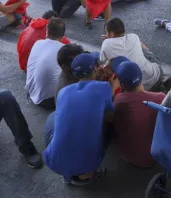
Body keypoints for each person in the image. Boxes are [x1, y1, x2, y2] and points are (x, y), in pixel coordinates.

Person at [44, 53, 118, 185]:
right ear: (95, 69)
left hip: (53, 162)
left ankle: (68, 173)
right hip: (88, 164)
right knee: (109, 125)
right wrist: (113, 88)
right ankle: (86, 176)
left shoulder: (64, 91)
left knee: (53, 117)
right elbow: (110, 116)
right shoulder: (104, 87)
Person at [111, 60, 166, 168]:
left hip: (126, 155)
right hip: (155, 156)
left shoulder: (118, 101)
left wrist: (112, 90)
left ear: (121, 84)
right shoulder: (160, 97)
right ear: (141, 77)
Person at [100, 18, 164, 91]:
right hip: (157, 75)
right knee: (142, 45)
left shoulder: (106, 44)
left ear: (111, 34)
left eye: (106, 32)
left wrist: (108, 40)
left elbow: (102, 61)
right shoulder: (134, 36)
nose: (105, 34)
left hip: (136, 87)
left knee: (109, 64)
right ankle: (162, 83)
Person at [26, 18, 67, 109]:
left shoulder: (38, 43)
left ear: (47, 31)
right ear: (63, 35)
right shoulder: (64, 49)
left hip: (30, 91)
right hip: (48, 101)